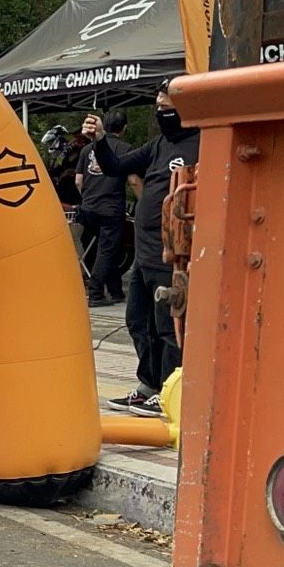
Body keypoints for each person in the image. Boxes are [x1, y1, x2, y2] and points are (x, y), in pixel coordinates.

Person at [86, 82, 198, 418]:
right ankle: (149, 383)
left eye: (167, 108)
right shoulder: (160, 144)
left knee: (168, 327)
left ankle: (168, 390)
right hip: (144, 252)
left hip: (173, 253)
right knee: (137, 320)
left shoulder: (201, 143)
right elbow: (116, 166)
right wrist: (100, 139)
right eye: (158, 107)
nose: (161, 113)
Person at [75, 112, 137, 307]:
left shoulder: (87, 149)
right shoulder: (125, 149)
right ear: (124, 128)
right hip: (111, 206)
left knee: (106, 248)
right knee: (108, 250)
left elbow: (78, 180)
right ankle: (95, 292)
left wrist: (87, 196)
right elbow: (133, 180)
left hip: (88, 207)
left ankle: (115, 289)